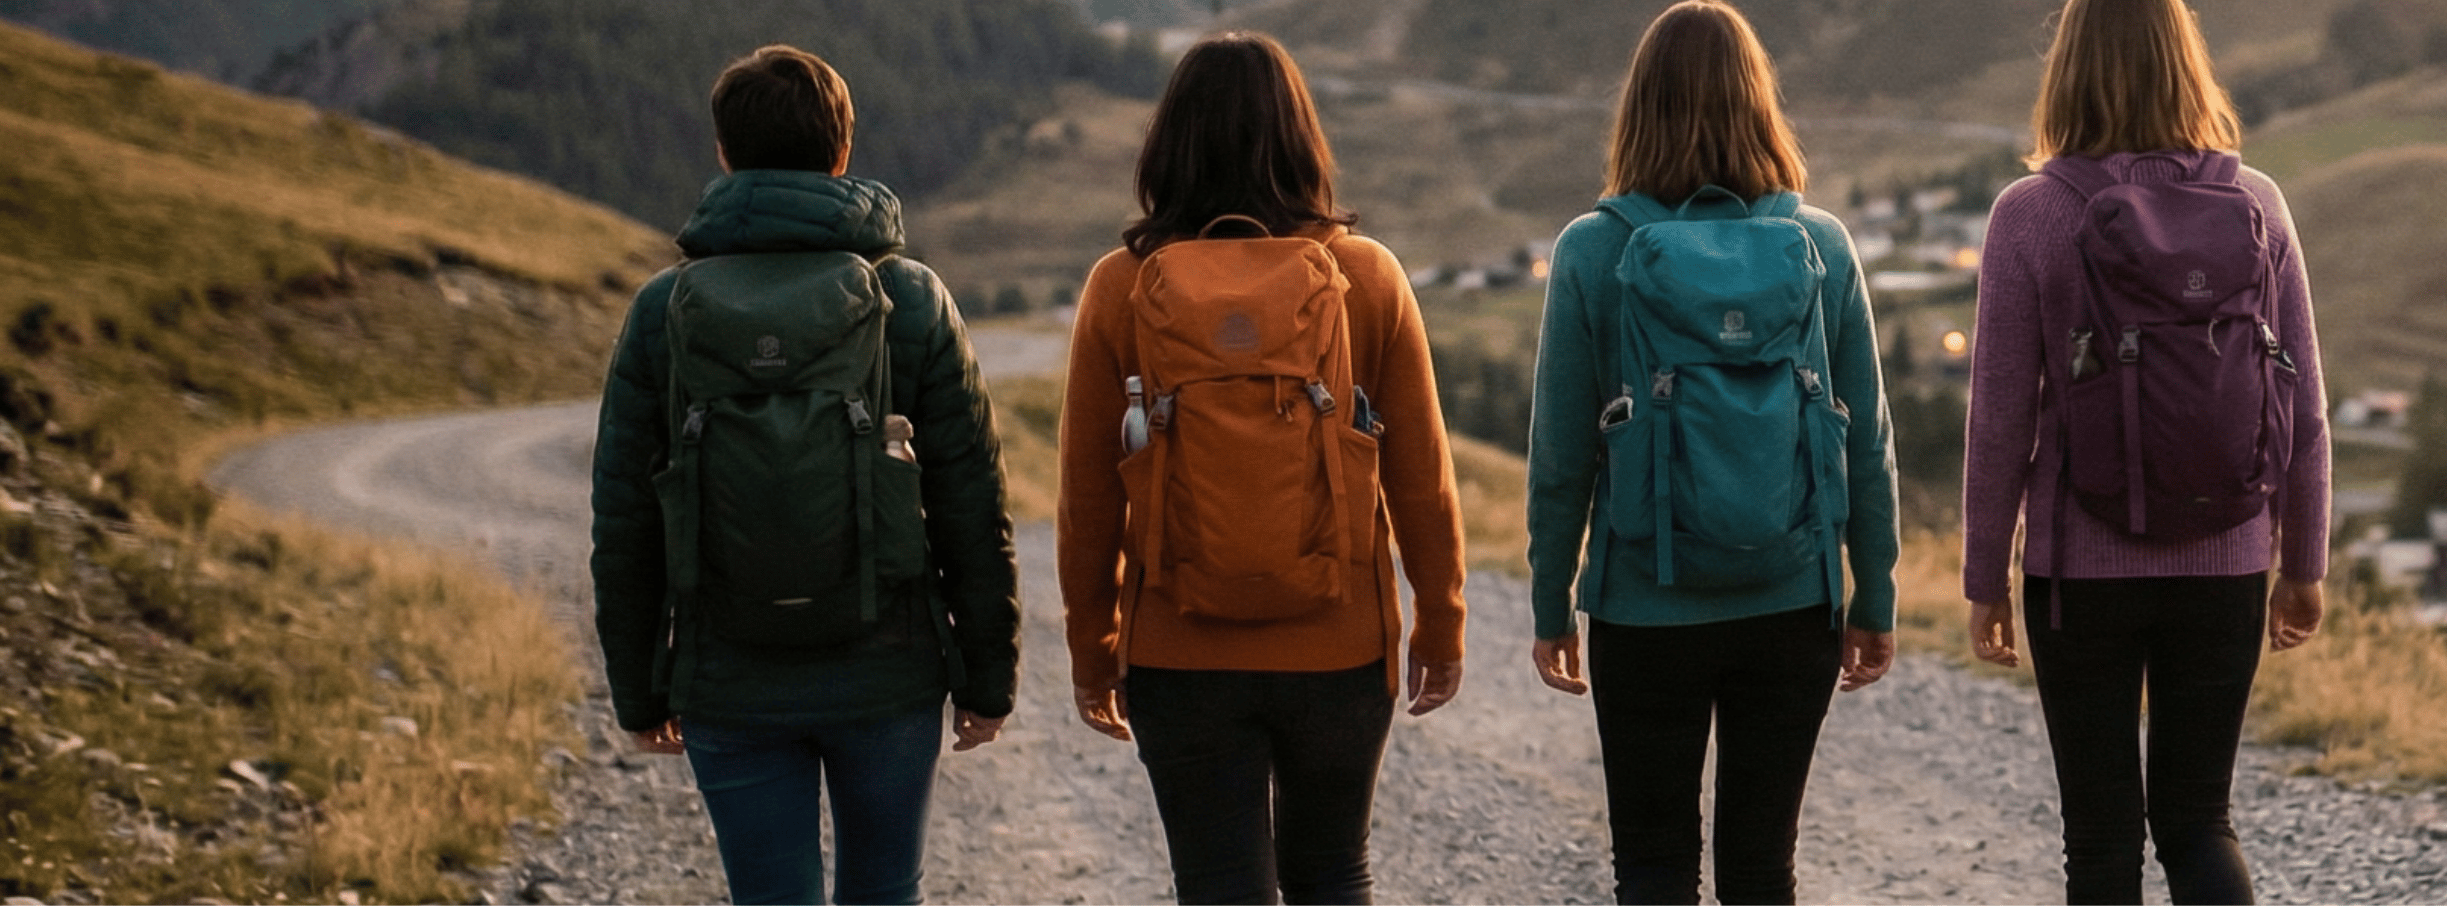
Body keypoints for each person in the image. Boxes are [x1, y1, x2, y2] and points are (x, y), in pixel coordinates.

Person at [589, 44, 1019, 906]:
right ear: (841, 153)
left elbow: (624, 516)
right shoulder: (913, 299)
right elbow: (971, 501)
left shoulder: (662, 310)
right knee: (885, 890)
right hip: (888, 672)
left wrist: (640, 692)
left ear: (724, 154)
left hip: (728, 675)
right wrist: (985, 680)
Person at [1057, 31, 1468, 906]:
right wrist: (1442, 617)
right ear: (1302, 140)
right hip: (1339, 645)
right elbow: (1421, 477)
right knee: (1332, 873)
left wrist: (1092, 645)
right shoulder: (1366, 276)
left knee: (1216, 886)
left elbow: (1087, 496)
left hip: (1178, 647)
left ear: (1167, 145)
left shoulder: (1119, 286)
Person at [1524, 3, 1900, 903]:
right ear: (1759, 105)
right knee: (1761, 868)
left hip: (1643, 608)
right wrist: (1873, 595)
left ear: (1637, 110)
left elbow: (1560, 456)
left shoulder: (1592, 248)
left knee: (1652, 867)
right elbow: (1867, 441)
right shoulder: (1820, 245)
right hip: (1790, 600)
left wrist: (1551, 606)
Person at [1961, 1, 2330, 902]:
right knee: (2199, 821)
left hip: (2077, 572)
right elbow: (2303, 402)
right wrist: (2302, 562)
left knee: (2099, 839)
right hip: (2228, 558)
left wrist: (1983, 581)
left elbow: (1999, 420)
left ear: (2068, 70)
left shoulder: (2031, 213)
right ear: (2186, 65)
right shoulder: (2256, 201)